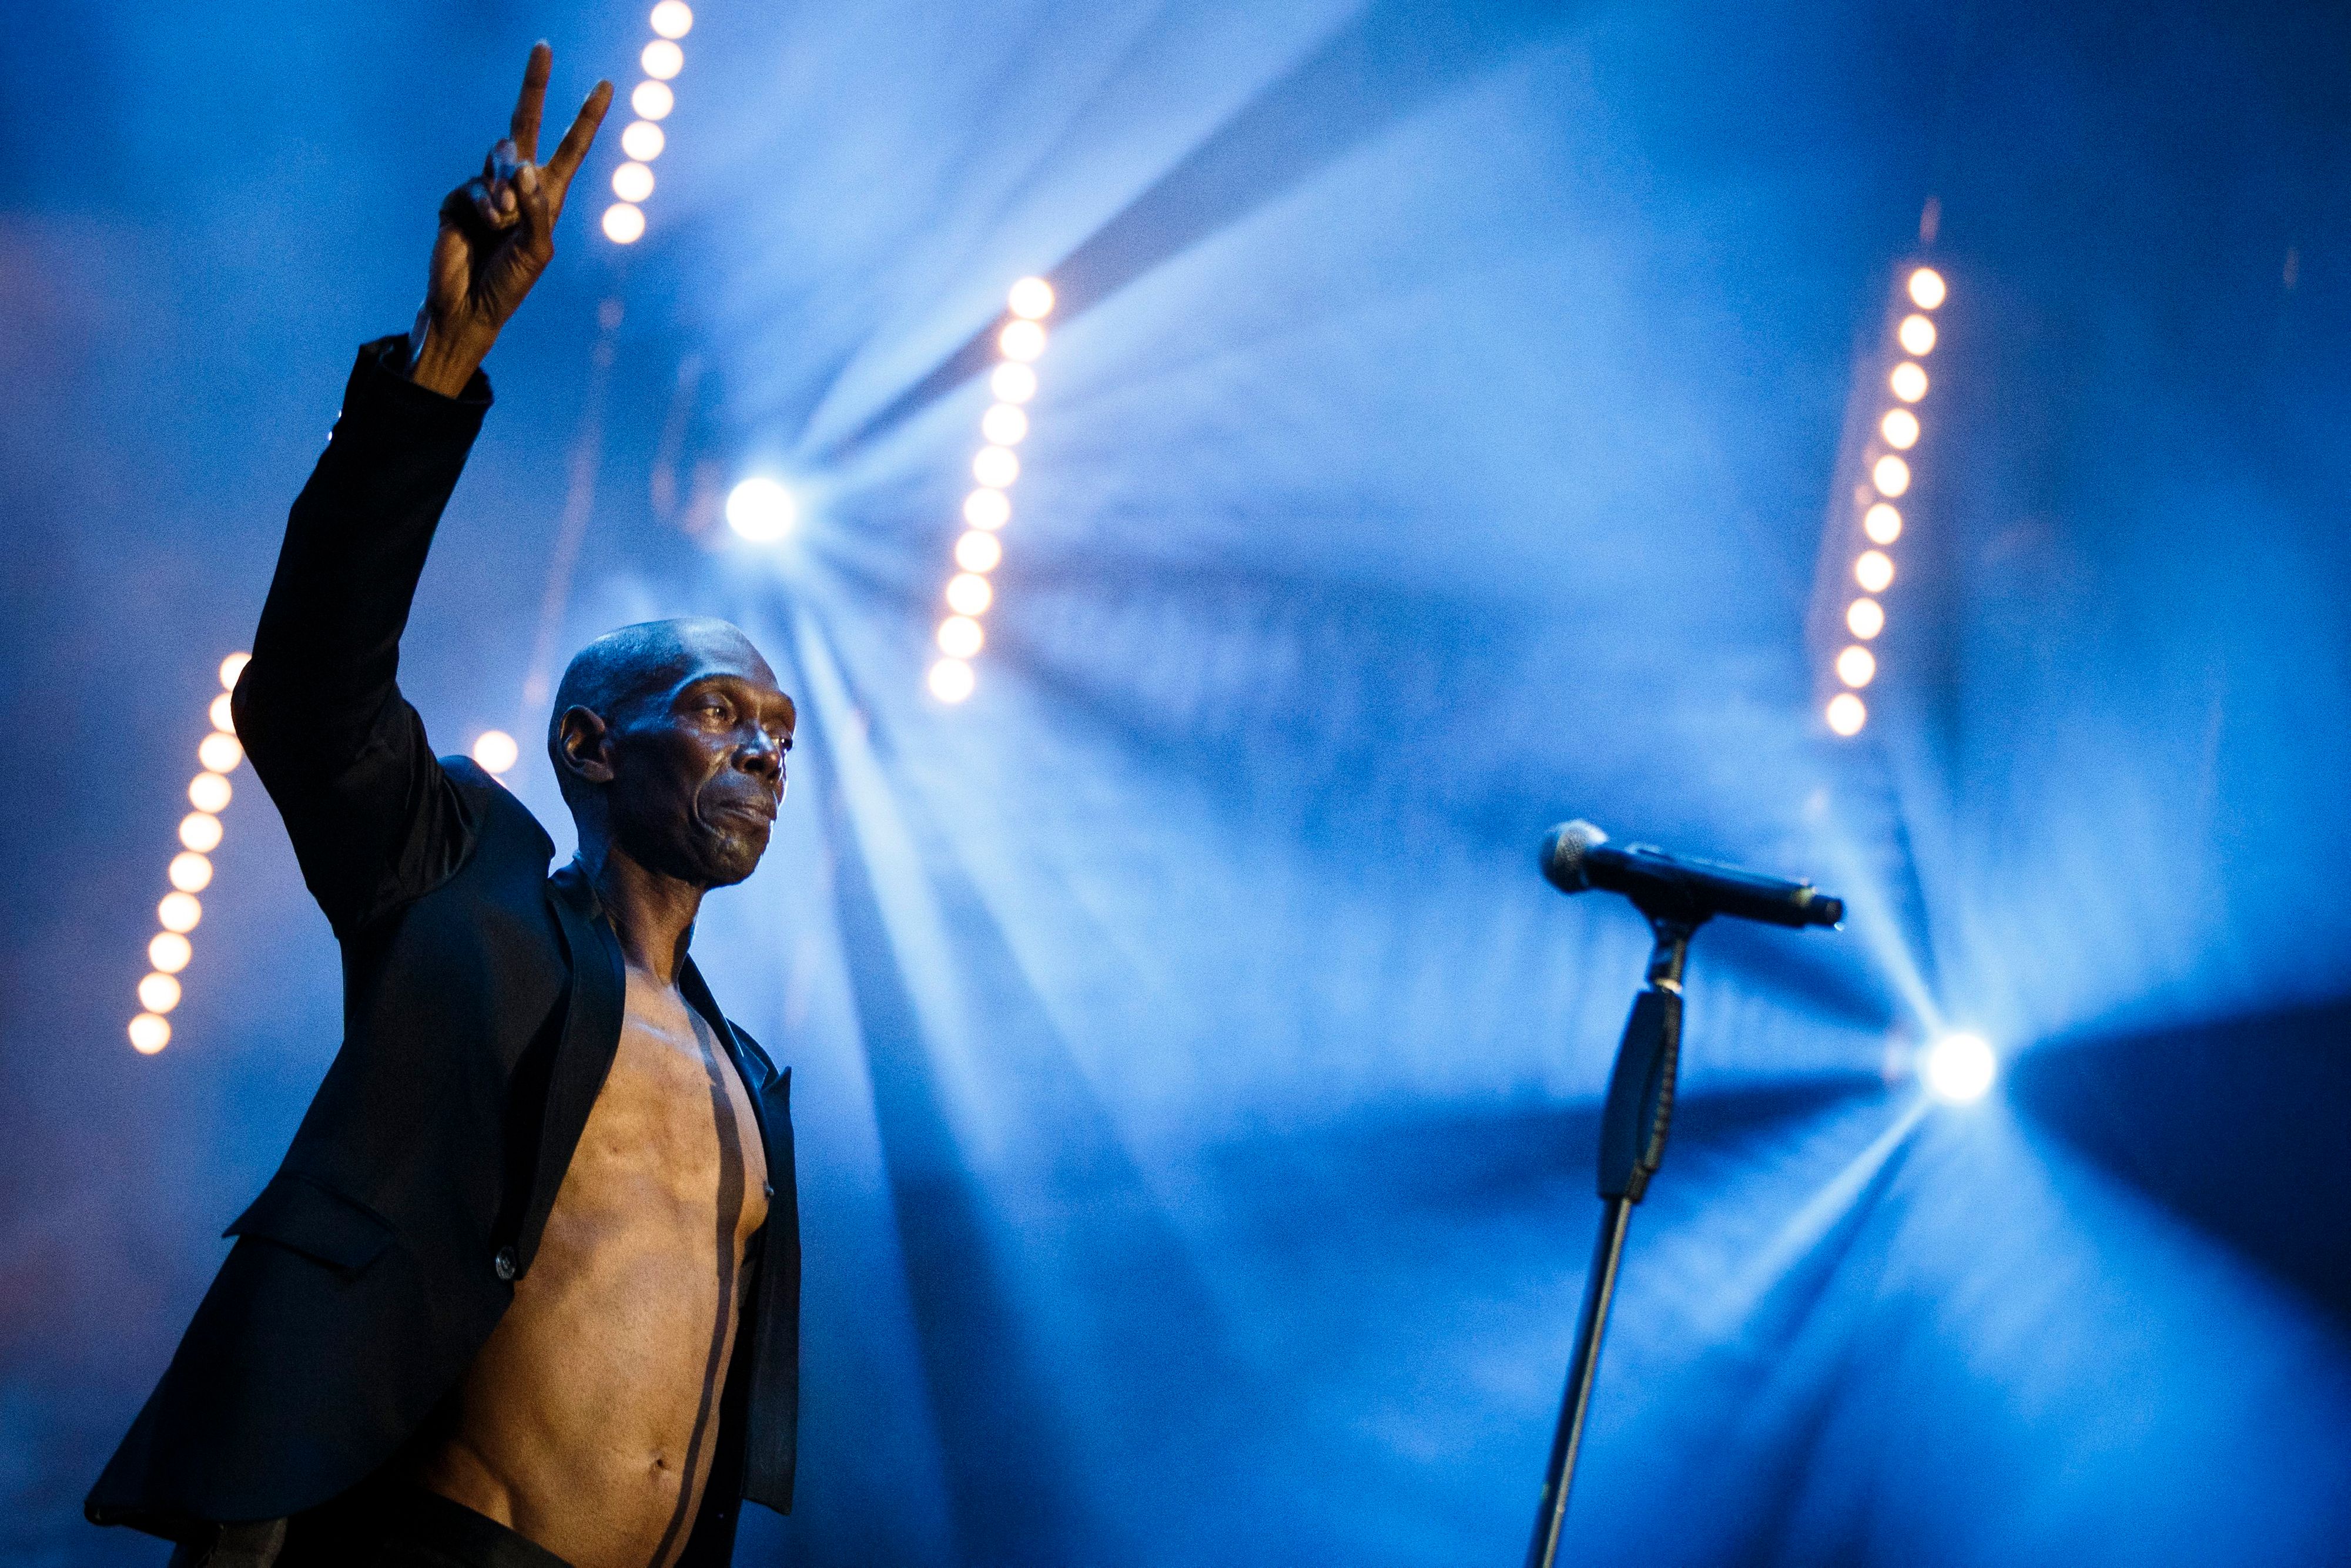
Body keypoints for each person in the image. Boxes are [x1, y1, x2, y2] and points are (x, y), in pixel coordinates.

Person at [85, 43, 801, 1568]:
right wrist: (441, 361)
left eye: (784, 732)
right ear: (593, 745)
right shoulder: (468, 890)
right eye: (724, 712)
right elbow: (313, 694)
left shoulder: (748, 1074)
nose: (763, 754)